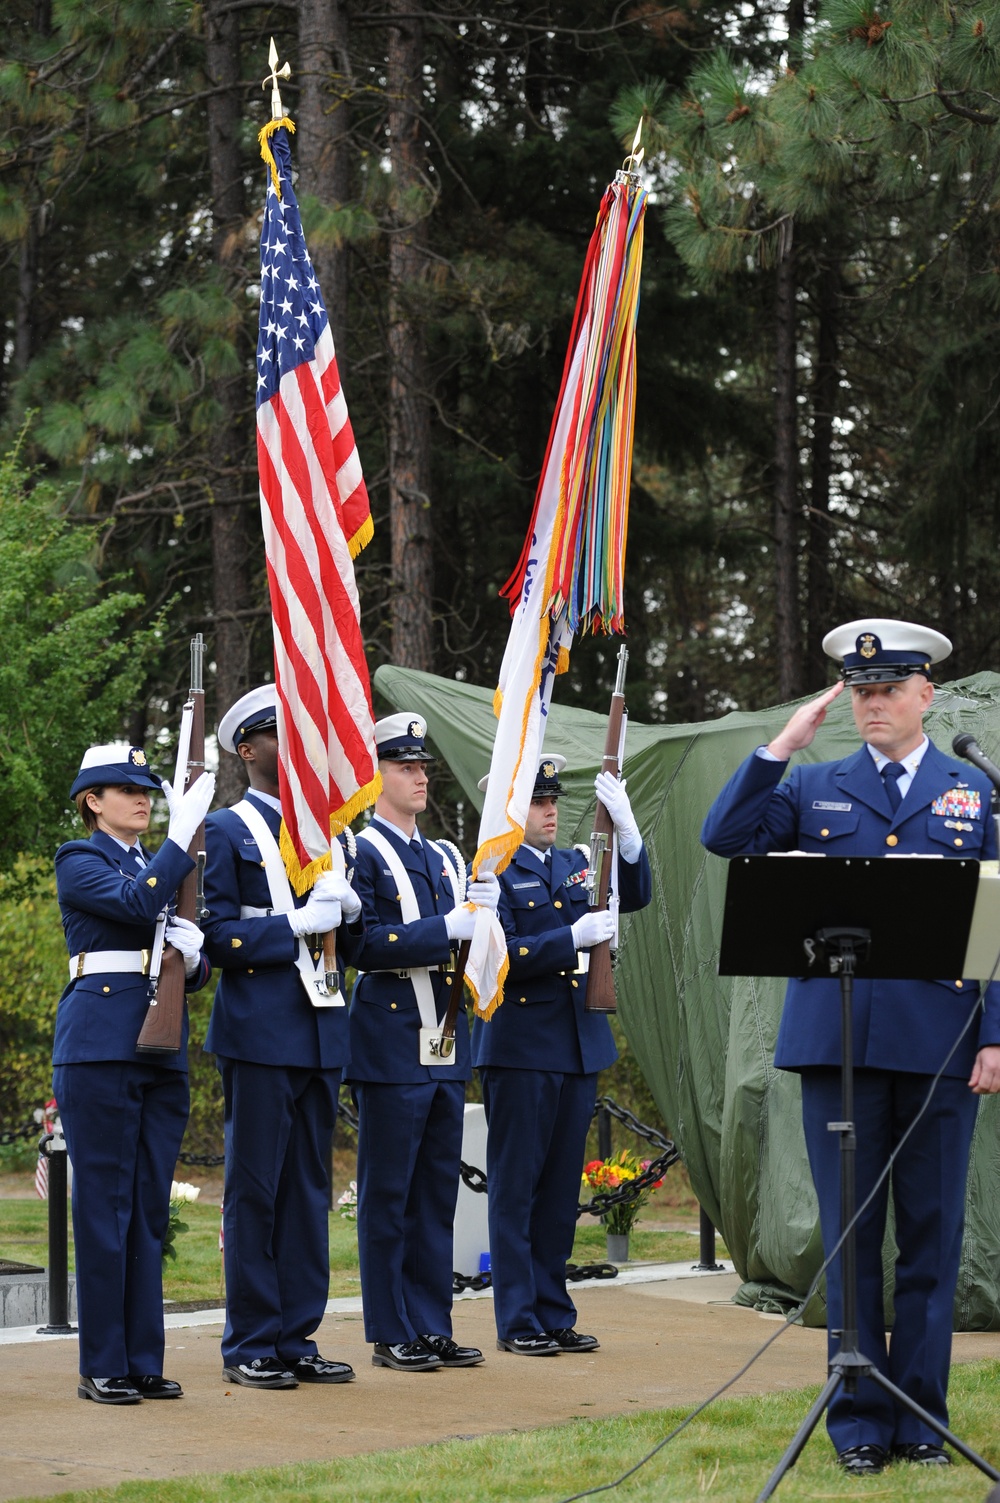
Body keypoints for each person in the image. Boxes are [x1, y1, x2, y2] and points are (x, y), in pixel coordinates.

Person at [700, 618, 1000, 1475]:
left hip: (942, 1046)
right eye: (860, 692)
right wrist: (779, 745)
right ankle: (860, 1422)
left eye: (887, 690)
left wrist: (998, 1036)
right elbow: (724, 837)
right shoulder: (814, 784)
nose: (871, 703)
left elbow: (997, 928)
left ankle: (921, 1420)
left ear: (925, 696)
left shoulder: (972, 792)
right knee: (852, 1239)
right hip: (837, 1046)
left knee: (933, 1241)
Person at [202, 687, 362, 1390]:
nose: (297, 745)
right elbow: (215, 937)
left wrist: (346, 915)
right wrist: (293, 922)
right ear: (248, 749)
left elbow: (346, 938)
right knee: (256, 1187)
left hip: (321, 1028)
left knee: (308, 1189)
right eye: (279, 734)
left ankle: (296, 1334)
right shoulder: (227, 829)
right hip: (261, 1030)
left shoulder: (329, 836)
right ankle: (249, 1341)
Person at [472, 755, 652, 1355]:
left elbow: (638, 896)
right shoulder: (492, 870)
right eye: (537, 802)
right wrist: (570, 939)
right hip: (521, 1046)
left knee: (557, 1194)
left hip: (577, 1047)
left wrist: (629, 836)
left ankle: (553, 1310)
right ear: (510, 811)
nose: (551, 811)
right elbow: (498, 955)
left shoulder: (580, 864)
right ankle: (518, 1318)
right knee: (517, 1187)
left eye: (554, 801)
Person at [53, 742, 215, 1404]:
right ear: (93, 801)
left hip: (159, 1045)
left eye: (147, 787)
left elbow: (186, 964)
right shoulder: (80, 857)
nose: (142, 797)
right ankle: (103, 1363)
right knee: (104, 1209)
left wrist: (196, 954)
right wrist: (181, 842)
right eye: (125, 788)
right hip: (98, 1045)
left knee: (148, 1209)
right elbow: (131, 904)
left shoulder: (157, 863)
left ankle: (143, 1357)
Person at [349, 713, 496, 1372]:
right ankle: (390, 1327)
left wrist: (481, 921)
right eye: (405, 766)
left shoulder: (442, 854)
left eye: (423, 766)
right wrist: (446, 926)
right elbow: (361, 944)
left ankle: (431, 1320)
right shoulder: (362, 851)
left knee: (436, 1192)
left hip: (443, 1037)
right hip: (390, 1038)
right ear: (375, 774)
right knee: (388, 1193)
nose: (420, 776)